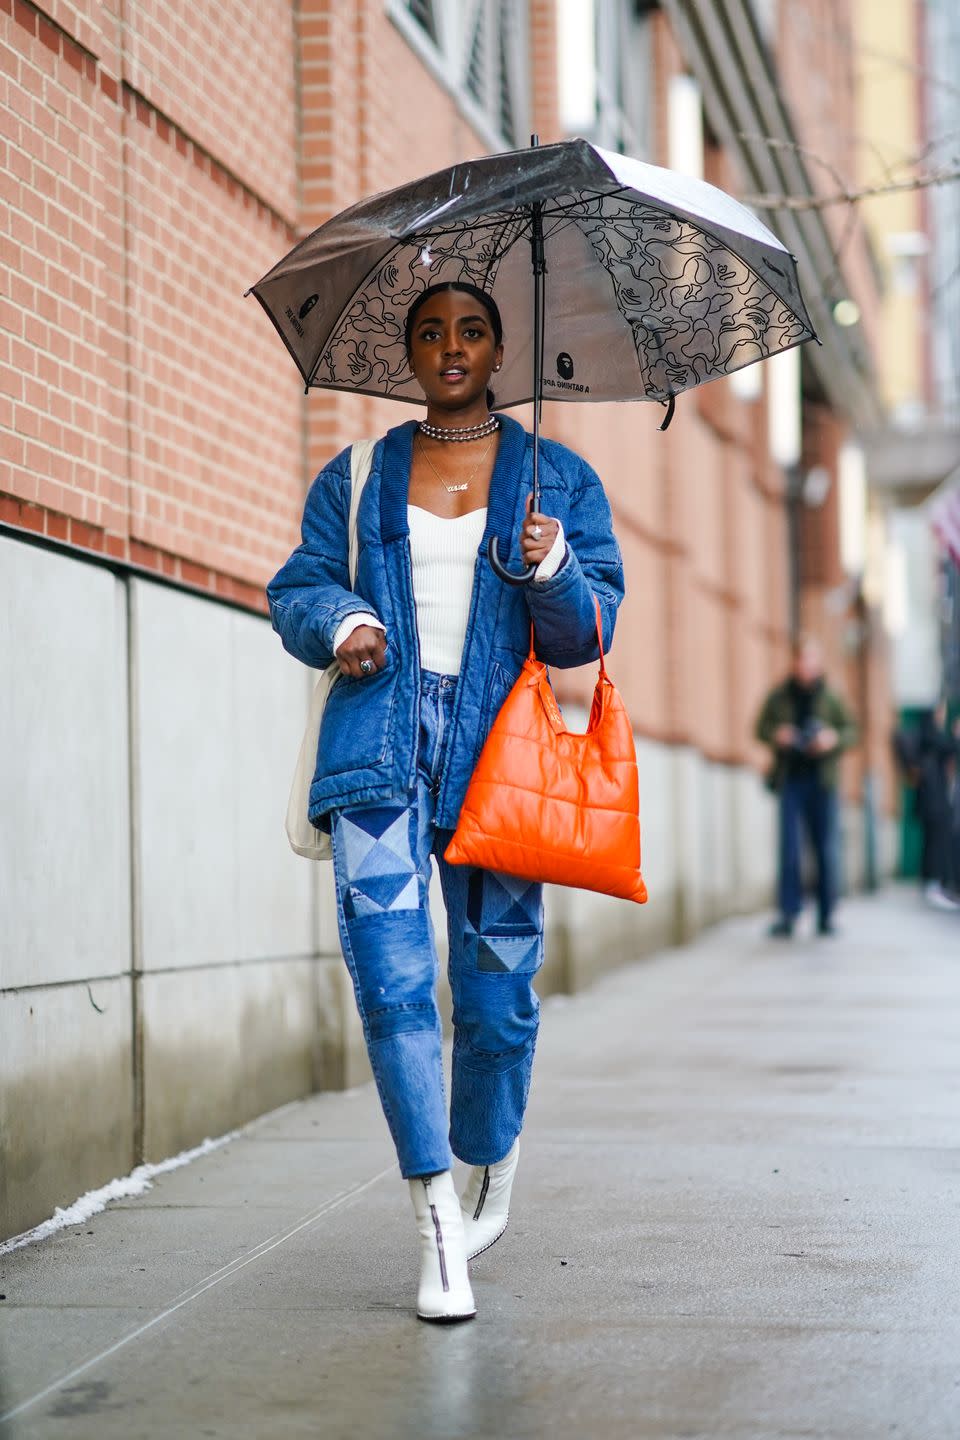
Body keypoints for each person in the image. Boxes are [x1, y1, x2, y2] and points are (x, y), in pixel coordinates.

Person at [266, 282, 623, 1322]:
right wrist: (340, 624)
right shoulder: (361, 473)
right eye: (430, 333)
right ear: (409, 353)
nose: (450, 347)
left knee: (499, 991)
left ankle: (487, 1165)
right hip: (380, 744)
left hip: (498, 756)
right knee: (392, 976)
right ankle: (433, 1215)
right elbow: (296, 586)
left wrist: (553, 562)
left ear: (501, 348)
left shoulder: (559, 479)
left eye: (470, 330)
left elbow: (591, 630)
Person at [755, 635, 857, 938]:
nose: (805, 666)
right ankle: (788, 913)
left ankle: (826, 914)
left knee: (825, 847)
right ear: (794, 662)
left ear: (818, 664)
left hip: (822, 780)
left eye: (811, 661)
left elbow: (852, 731)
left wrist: (832, 739)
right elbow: (759, 728)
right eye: (801, 660)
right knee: (789, 847)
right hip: (791, 779)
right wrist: (778, 734)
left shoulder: (831, 697)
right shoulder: (780, 696)